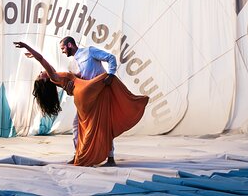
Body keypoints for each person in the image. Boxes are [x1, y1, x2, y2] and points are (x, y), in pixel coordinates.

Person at [14, 41, 148, 167]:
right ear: (44, 81)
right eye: (40, 75)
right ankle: (84, 155)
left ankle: (82, 155)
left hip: (85, 93)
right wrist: (27, 46)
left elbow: (55, 68)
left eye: (62, 48)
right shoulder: (54, 76)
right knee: (96, 122)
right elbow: (42, 59)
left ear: (69, 45)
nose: (40, 72)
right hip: (86, 92)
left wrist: (32, 54)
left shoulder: (57, 74)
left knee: (86, 125)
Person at [59, 36, 118, 165]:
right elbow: (75, 86)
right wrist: (69, 90)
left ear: (69, 45)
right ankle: (79, 155)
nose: (62, 51)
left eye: (63, 48)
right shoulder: (71, 65)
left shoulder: (89, 51)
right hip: (86, 99)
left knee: (103, 125)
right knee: (76, 125)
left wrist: (111, 75)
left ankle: (110, 157)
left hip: (100, 94)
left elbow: (111, 58)